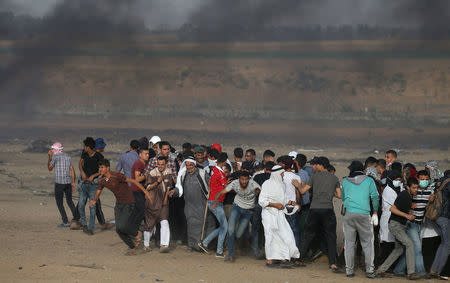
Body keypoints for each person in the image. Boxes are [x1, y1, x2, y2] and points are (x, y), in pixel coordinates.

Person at [89, 159, 152, 255]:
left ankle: (137, 232)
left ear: (107, 168)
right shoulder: (102, 180)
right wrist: (94, 200)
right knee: (118, 229)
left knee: (123, 226)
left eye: (102, 167)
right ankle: (132, 246)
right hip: (119, 205)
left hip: (129, 202)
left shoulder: (117, 175)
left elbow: (134, 181)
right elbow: (98, 192)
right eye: (99, 167)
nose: (100, 169)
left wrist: (146, 192)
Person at [293, 157, 342, 272]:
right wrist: (329, 193)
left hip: (314, 210)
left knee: (308, 235)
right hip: (328, 210)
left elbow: (303, 191)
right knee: (331, 236)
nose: (315, 167)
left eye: (317, 165)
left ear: (320, 165)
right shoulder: (334, 178)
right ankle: (333, 263)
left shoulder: (314, 177)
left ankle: (298, 259)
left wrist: (297, 185)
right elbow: (339, 195)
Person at [376, 178, 421, 280]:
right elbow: (392, 209)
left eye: (417, 187)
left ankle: (380, 270)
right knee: (409, 244)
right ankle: (411, 273)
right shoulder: (405, 195)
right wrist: (407, 215)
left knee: (399, 249)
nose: (416, 190)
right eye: (414, 188)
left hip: (399, 225)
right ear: (408, 187)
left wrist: (409, 212)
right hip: (396, 225)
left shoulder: (408, 196)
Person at [341, 161, 379, 278]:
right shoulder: (369, 180)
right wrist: (375, 212)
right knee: (367, 243)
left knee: (349, 243)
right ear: (363, 170)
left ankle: (349, 271)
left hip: (348, 214)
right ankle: (369, 270)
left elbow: (343, 197)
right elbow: (375, 196)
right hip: (364, 214)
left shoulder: (346, 181)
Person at [211, 171, 261, 262]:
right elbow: (221, 192)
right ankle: (231, 255)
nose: (244, 181)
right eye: (242, 179)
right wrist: (215, 202)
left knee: (238, 234)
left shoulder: (254, 184)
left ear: (249, 179)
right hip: (236, 207)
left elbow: (261, 193)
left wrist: (258, 193)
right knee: (230, 230)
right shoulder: (234, 183)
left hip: (248, 211)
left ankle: (251, 248)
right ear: (239, 179)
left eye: (246, 179)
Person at [393, 170, 434, 277]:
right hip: (411, 223)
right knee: (417, 247)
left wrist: (430, 202)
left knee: (410, 249)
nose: (424, 181)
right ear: (418, 179)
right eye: (421, 179)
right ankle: (421, 271)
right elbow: (402, 200)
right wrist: (410, 205)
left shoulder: (430, 191)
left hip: (420, 224)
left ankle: (398, 270)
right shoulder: (413, 191)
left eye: (426, 179)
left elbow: (428, 207)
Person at [259, 165, 300, 268]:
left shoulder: (282, 185)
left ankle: (284, 258)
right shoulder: (266, 184)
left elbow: (283, 199)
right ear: (277, 174)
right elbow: (261, 201)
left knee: (286, 234)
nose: (283, 176)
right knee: (271, 237)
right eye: (282, 174)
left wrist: (292, 203)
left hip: (279, 214)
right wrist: (275, 205)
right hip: (269, 214)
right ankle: (270, 260)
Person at [175, 157, 215, 251]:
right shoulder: (184, 175)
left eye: (191, 165)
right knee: (191, 224)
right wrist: (174, 192)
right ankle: (192, 246)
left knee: (206, 224)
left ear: (194, 165)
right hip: (189, 205)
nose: (189, 167)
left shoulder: (202, 173)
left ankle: (204, 245)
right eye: (187, 165)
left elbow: (210, 184)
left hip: (202, 204)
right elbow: (179, 188)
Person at [143, 156, 177, 253]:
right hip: (152, 202)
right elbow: (148, 188)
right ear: (156, 164)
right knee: (149, 224)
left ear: (166, 164)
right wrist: (157, 182)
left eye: (162, 164)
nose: (160, 166)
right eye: (159, 164)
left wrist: (166, 198)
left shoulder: (168, 172)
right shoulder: (152, 173)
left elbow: (169, 187)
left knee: (164, 222)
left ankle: (164, 245)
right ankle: (146, 245)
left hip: (163, 202)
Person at [198, 152, 229, 258]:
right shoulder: (220, 173)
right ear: (224, 161)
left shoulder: (214, 170)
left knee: (223, 226)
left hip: (213, 201)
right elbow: (226, 188)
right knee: (224, 227)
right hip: (216, 202)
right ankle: (219, 251)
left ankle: (205, 243)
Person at [78, 137, 104, 235]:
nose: (84, 147)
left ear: (89, 147)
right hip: (84, 184)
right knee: (81, 205)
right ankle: (84, 224)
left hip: (93, 185)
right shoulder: (84, 154)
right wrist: (82, 173)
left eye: (85, 146)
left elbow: (102, 170)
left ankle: (91, 228)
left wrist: (93, 176)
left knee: (92, 207)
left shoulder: (99, 156)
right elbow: (80, 164)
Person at [47, 142, 76, 227]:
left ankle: (65, 221)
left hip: (59, 183)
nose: (51, 150)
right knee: (69, 201)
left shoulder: (55, 157)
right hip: (68, 182)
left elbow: (49, 168)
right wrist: (73, 182)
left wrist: (49, 157)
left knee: (59, 203)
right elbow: (72, 170)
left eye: (52, 149)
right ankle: (77, 218)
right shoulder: (67, 156)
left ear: (55, 149)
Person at [378, 170, 402, 265]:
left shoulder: (398, 188)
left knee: (392, 244)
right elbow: (397, 204)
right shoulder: (388, 191)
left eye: (400, 180)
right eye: (396, 180)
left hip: (394, 219)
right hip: (387, 219)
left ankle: (388, 266)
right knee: (387, 244)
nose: (398, 181)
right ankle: (382, 265)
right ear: (391, 180)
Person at [430, 171, 450, 280]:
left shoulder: (440, 182)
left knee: (443, 243)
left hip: (436, 216)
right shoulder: (449, 183)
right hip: (445, 216)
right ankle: (440, 271)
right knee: (447, 245)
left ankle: (434, 269)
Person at [280, 158, 301, 249]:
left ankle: (284, 254)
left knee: (283, 231)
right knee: (294, 231)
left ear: (284, 165)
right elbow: (298, 192)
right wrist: (298, 204)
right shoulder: (296, 177)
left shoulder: (280, 176)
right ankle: (295, 255)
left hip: (282, 206)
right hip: (293, 206)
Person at [130, 148, 150, 231]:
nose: (147, 155)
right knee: (141, 211)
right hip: (137, 190)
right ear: (140, 155)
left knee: (139, 211)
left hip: (140, 191)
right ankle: (134, 229)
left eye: (148, 153)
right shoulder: (139, 164)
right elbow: (137, 179)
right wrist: (147, 175)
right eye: (145, 154)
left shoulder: (144, 163)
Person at [294, 154, 311, 244]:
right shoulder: (300, 173)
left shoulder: (302, 173)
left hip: (303, 205)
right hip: (301, 204)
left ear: (296, 162)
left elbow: (303, 188)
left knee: (300, 228)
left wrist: (297, 185)